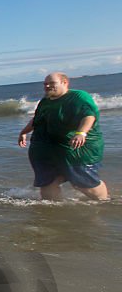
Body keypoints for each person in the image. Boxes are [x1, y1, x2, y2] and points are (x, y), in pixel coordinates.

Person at [18, 72, 109, 200]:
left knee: (82, 182)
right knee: (48, 183)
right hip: (47, 149)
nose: (47, 86)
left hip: (74, 148)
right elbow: (38, 119)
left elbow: (89, 116)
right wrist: (24, 132)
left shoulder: (78, 97)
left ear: (64, 83)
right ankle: (55, 212)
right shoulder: (45, 101)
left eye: (52, 83)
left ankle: (104, 202)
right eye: (45, 84)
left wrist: (81, 133)